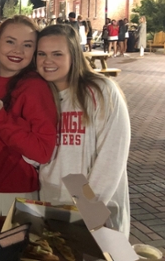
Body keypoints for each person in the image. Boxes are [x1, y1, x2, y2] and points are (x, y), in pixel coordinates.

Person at [36, 24, 131, 238]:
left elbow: (112, 157)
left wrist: (88, 213)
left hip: (96, 205)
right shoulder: (38, 96)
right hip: (51, 199)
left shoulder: (101, 91)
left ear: (74, 55)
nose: (47, 61)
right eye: (41, 54)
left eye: (57, 54)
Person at [0, 15, 58, 215]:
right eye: (10, 41)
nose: (18, 51)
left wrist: (0, 118)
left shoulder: (34, 87)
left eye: (27, 45)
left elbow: (42, 152)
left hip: (12, 193)